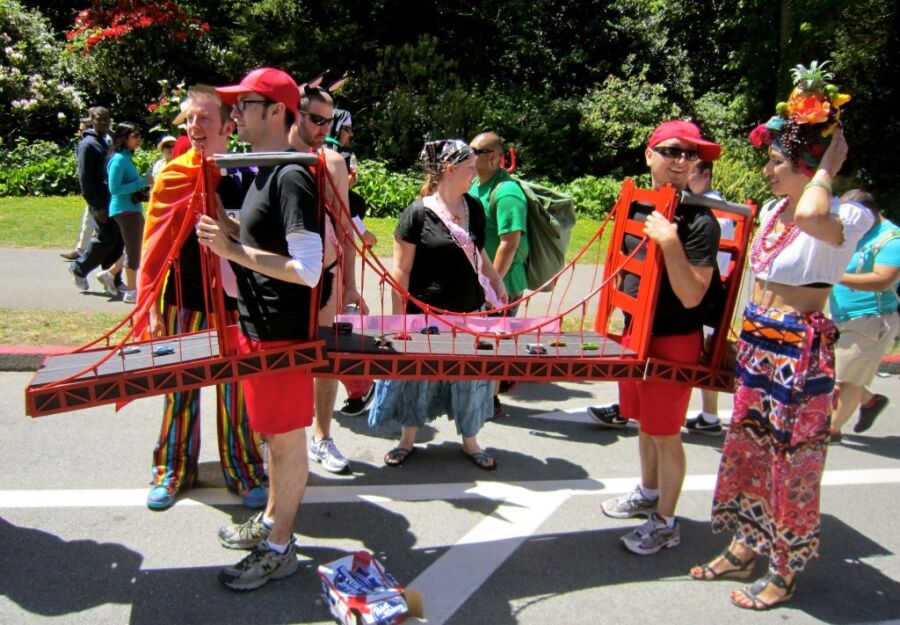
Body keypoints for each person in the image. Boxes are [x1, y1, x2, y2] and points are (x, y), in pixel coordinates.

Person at [690, 66, 873, 610]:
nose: (766, 170)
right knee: (747, 450)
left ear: (809, 168)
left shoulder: (846, 214)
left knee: (791, 464)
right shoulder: (772, 211)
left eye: (776, 162)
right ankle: (746, 543)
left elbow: (816, 210)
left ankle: (786, 569)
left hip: (799, 353)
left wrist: (829, 170)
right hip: (759, 345)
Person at [198, 67, 322, 590]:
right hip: (260, 326)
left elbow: (308, 267)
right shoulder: (264, 168)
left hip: (282, 334)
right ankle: (272, 522)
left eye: (246, 104)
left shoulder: (291, 173)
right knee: (272, 436)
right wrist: (230, 231)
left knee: (288, 441)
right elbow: (266, 244)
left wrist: (230, 249)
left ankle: (280, 548)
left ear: (276, 112)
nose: (236, 114)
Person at [589, 120, 723, 555]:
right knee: (644, 426)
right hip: (636, 333)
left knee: (666, 434)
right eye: (672, 151)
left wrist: (669, 241)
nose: (682, 161)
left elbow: (691, 295)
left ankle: (666, 522)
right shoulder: (638, 207)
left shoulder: (700, 222)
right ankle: (648, 493)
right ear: (649, 155)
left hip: (673, 337)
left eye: (690, 154)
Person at [143, 85, 267, 511]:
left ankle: (245, 469)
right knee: (179, 389)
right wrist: (153, 309)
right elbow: (153, 248)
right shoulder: (172, 174)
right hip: (183, 300)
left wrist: (224, 223)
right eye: (190, 119)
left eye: (204, 119)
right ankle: (172, 470)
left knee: (237, 393)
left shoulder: (246, 174)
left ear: (228, 125)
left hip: (236, 305)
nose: (195, 127)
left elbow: (258, 240)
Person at [367, 139, 507, 471]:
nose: (475, 174)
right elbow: (402, 270)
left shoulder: (473, 207)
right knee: (418, 378)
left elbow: (479, 251)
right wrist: (399, 319)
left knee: (470, 379)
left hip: (470, 310)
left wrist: (496, 280)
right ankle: (407, 440)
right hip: (425, 316)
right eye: (469, 168)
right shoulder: (416, 214)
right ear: (449, 170)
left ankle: (471, 442)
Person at [289, 86, 360, 474]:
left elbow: (345, 227)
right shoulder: (268, 157)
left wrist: (349, 284)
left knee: (326, 356)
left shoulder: (332, 163)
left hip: (327, 278)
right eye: (315, 119)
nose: (322, 128)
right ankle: (276, 437)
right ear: (293, 114)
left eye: (328, 121)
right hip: (282, 280)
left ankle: (321, 435)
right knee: (279, 359)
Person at [828, 189, 898, 440]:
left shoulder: (891, 239)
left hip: (870, 319)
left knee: (845, 380)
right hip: (841, 316)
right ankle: (870, 401)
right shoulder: (854, 232)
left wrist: (835, 277)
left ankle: (832, 430)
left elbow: (883, 280)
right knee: (843, 373)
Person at [469, 131, 528, 417]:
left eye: (475, 151)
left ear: (493, 157)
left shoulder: (507, 192)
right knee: (484, 338)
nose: (469, 155)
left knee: (492, 340)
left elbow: (510, 242)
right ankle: (487, 389)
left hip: (502, 284)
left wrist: (493, 285)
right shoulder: (476, 185)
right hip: (482, 282)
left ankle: (490, 401)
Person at [684, 160, 735, 437]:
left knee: (704, 354)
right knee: (705, 355)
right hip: (706, 289)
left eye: (692, 172)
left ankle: (710, 415)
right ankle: (710, 415)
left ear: (706, 175)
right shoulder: (706, 207)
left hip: (704, 289)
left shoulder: (716, 212)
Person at [68, 106, 125, 295]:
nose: (104, 123)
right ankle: (79, 268)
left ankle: (113, 279)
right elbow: (85, 178)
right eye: (99, 119)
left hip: (113, 199)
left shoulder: (106, 140)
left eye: (106, 119)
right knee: (107, 238)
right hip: (100, 202)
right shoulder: (88, 144)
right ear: (91, 119)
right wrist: (96, 205)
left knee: (117, 239)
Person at [106, 122, 152, 304]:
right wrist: (142, 182)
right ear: (124, 138)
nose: (138, 140)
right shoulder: (118, 159)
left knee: (134, 247)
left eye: (139, 136)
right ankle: (131, 291)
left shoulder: (125, 158)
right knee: (134, 251)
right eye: (135, 136)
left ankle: (110, 273)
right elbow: (114, 188)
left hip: (131, 209)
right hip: (124, 210)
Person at [61, 116, 100, 261]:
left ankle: (82, 251)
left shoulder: (91, 143)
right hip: (93, 189)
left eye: (82, 127)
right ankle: (84, 249)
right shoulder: (87, 142)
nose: (79, 130)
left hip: (97, 189)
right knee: (89, 219)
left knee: (90, 219)